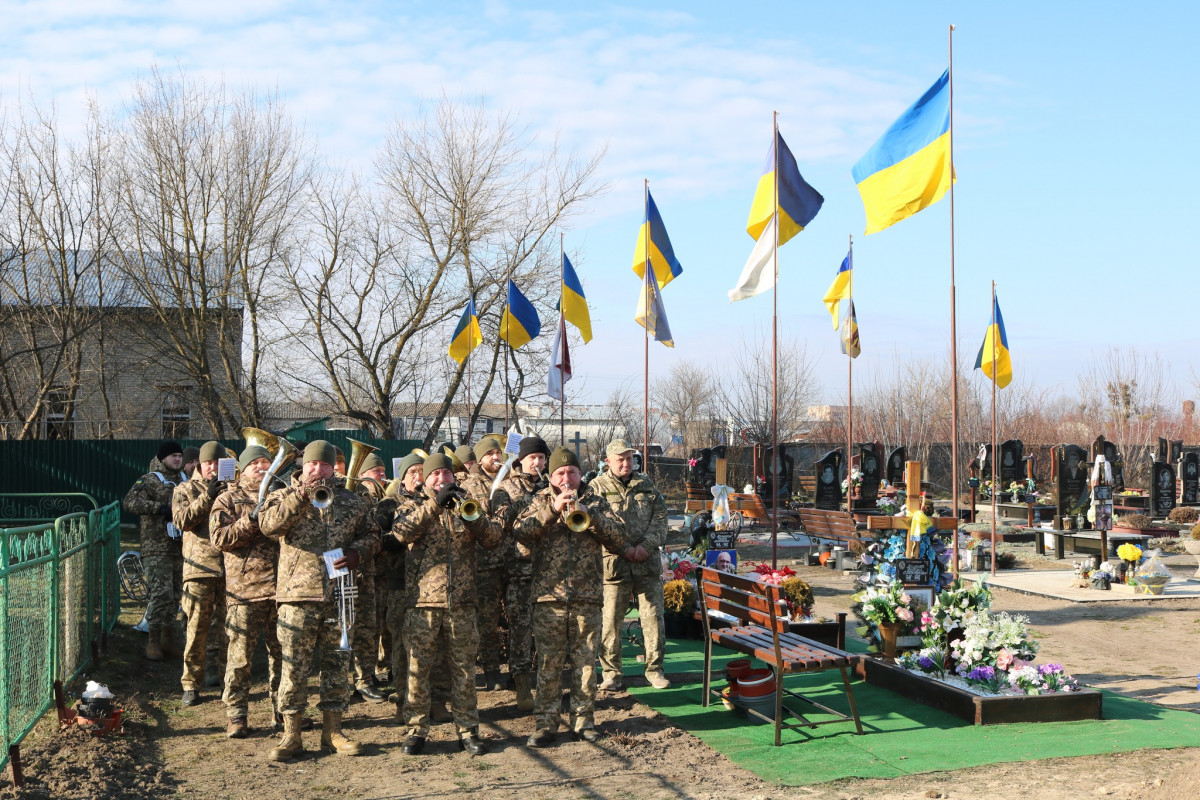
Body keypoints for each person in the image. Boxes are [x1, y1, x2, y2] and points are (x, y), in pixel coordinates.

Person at [258, 440, 379, 761]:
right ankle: (291, 735)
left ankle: (333, 732)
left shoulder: (352, 500)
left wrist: (357, 552)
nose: (319, 470)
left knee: (337, 664)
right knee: (294, 666)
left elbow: (373, 534)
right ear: (303, 465)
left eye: (325, 465)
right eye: (313, 464)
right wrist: (300, 496)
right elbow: (268, 526)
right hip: (297, 595)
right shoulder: (282, 494)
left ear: (333, 467)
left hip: (341, 593)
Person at [388, 452, 502, 757]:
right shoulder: (411, 505)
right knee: (418, 670)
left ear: (455, 477)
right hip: (422, 604)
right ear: (425, 479)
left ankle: (468, 731)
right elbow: (399, 534)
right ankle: (417, 730)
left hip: (462, 604)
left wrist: (473, 517)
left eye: (447, 475)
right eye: (435, 475)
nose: (442, 479)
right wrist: (435, 504)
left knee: (464, 671)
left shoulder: (468, 505)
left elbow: (493, 538)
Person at [513, 447, 625, 746]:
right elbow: (520, 533)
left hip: (587, 597)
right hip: (548, 599)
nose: (566, 478)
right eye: (560, 473)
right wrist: (551, 510)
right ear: (551, 476)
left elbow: (619, 539)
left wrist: (593, 517)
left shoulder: (596, 501)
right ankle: (545, 724)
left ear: (580, 474)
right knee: (548, 663)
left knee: (586, 663)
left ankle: (583, 721)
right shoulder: (537, 500)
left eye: (571, 472)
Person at [209, 445, 284, 739]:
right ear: (243, 468)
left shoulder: (280, 494)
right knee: (240, 658)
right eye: (257, 463)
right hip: (245, 592)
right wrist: (250, 520)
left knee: (282, 657)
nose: (263, 467)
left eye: (267, 462)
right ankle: (237, 715)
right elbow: (219, 538)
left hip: (281, 590)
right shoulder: (227, 498)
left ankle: (284, 712)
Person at [594, 439, 671, 691]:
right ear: (609, 461)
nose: (626, 463)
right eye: (620, 459)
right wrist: (625, 548)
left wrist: (645, 547)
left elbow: (660, 520)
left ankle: (654, 669)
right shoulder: (596, 488)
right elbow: (598, 525)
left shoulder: (646, 485)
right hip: (614, 566)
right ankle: (611, 673)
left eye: (629, 458)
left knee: (652, 619)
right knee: (611, 622)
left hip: (645, 564)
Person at [490, 434, 551, 712]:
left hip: (551, 569)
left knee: (548, 630)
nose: (537, 463)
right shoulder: (505, 487)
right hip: (518, 568)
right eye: (532, 458)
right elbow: (501, 520)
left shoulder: (554, 484)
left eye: (541, 457)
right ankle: (522, 685)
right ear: (521, 460)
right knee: (521, 629)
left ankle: (548, 682)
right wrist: (532, 503)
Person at [171, 441, 230, 706]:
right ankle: (190, 685)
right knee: (196, 629)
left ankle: (226, 681)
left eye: (219, 463)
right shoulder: (185, 489)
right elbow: (182, 521)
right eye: (209, 464)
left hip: (230, 569)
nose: (214, 468)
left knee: (229, 631)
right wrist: (208, 496)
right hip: (199, 569)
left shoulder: (232, 487)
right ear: (199, 464)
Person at [123, 441, 186, 661]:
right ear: (162, 459)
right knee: (160, 595)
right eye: (173, 456)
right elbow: (129, 503)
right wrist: (158, 508)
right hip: (156, 548)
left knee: (176, 595)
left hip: (180, 547)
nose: (177, 459)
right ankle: (153, 641)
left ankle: (168, 640)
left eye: (179, 456)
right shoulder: (149, 480)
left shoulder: (186, 480)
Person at [459, 434, 508, 692]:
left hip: (506, 561)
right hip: (480, 564)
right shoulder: (468, 484)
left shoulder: (505, 481)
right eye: (491, 454)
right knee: (485, 623)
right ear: (480, 458)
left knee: (504, 620)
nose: (496, 458)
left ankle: (507, 669)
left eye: (498, 453)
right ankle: (489, 672)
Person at [348, 452, 388, 704]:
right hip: (343, 571)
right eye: (377, 472)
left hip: (369, 570)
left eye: (383, 471)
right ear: (362, 475)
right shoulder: (352, 496)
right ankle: (343, 681)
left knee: (367, 628)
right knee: (342, 628)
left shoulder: (381, 498)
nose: (382, 476)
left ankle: (365, 679)